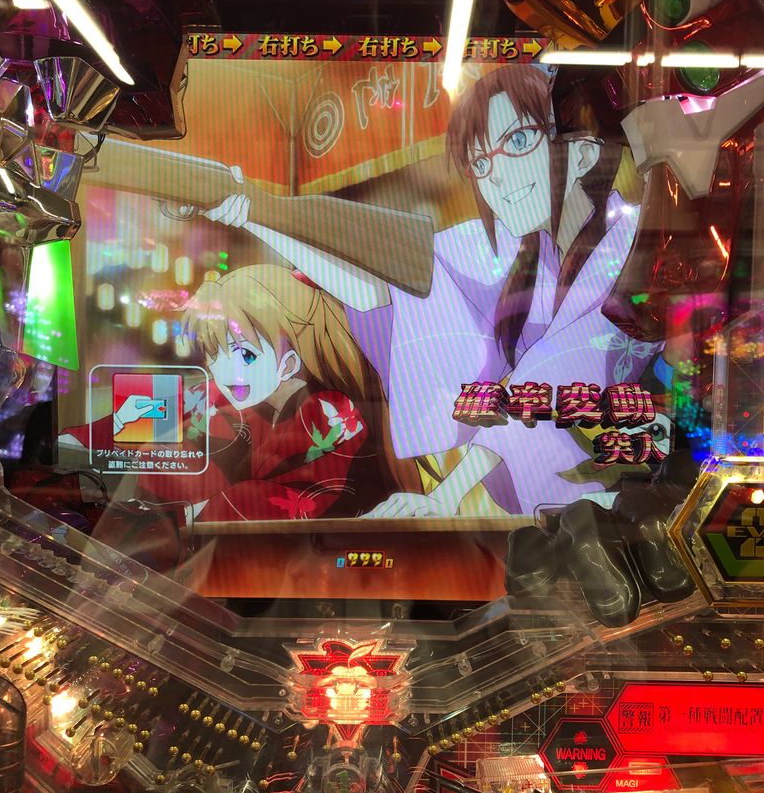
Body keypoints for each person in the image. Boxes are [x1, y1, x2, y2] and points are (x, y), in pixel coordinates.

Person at [204, 65, 663, 517]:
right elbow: (381, 293)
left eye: (518, 141)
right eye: (480, 162)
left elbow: (544, 380)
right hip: (541, 510)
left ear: (582, 153)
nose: (495, 177)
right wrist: (255, 216)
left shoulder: (630, 242)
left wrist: (447, 495)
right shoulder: (515, 247)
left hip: (624, 500)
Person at [60, 264, 421, 521]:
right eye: (214, 354)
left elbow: (289, 502)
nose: (226, 371)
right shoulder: (219, 394)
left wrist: (190, 514)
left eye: (246, 355)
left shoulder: (331, 416)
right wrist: (81, 441)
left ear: (288, 364)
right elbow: (143, 412)